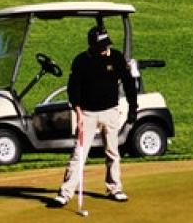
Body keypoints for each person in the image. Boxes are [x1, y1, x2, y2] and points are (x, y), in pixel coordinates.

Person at [53, 25, 138, 206]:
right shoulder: (81, 61)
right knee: (79, 154)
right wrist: (78, 114)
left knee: (112, 152)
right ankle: (65, 193)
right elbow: (73, 89)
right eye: (101, 46)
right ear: (92, 45)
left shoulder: (116, 57)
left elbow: (129, 83)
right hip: (87, 114)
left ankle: (115, 188)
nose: (105, 49)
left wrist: (133, 108)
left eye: (106, 45)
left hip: (110, 111)